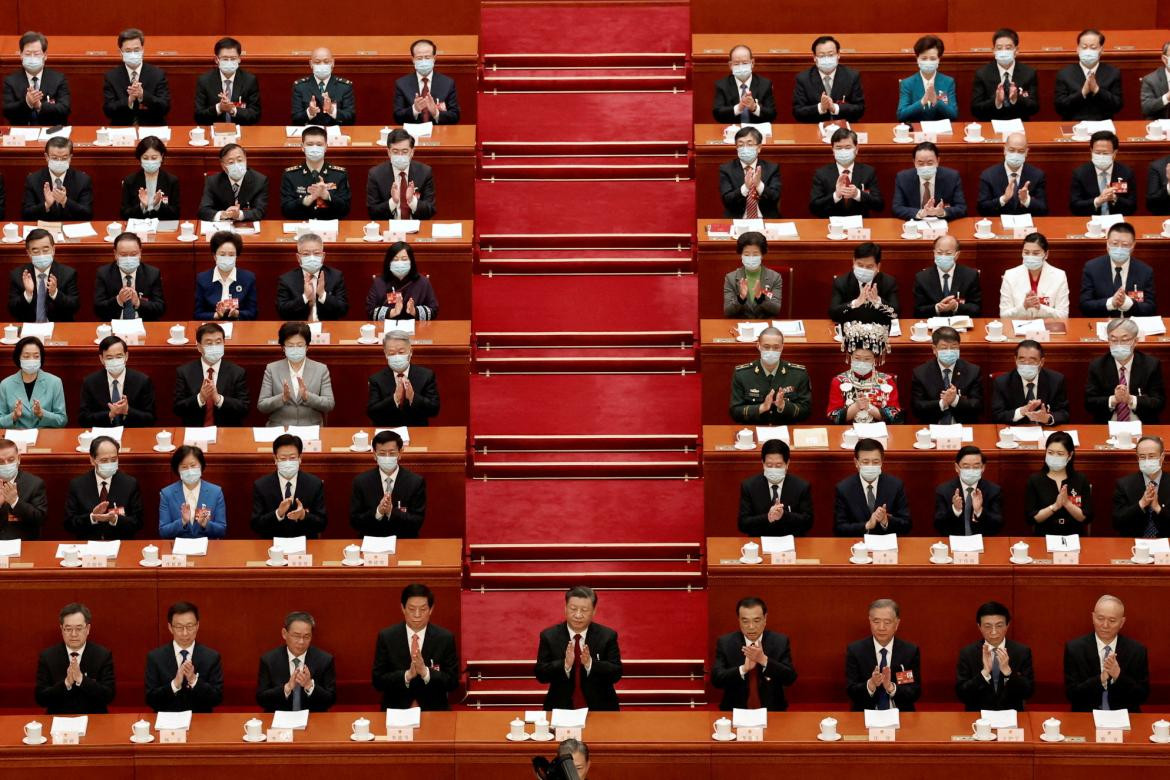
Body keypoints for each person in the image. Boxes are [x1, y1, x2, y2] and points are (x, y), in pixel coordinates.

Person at [372, 583, 460, 710]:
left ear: (431, 609)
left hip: (434, 710)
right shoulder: (387, 637)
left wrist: (426, 672)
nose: (417, 615)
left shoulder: (445, 638)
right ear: (403, 608)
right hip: (396, 710)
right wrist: (406, 675)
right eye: (412, 609)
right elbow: (378, 682)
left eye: (423, 609)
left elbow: (452, 683)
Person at [535, 586, 622, 711]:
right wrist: (564, 664)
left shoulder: (607, 636)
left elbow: (616, 673)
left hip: (601, 708)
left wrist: (590, 664)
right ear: (565, 608)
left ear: (594, 611)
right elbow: (540, 675)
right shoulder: (549, 636)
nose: (578, 615)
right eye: (573, 609)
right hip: (560, 708)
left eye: (584, 610)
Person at [1064, 595, 1148, 712]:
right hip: (1086, 717)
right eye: (1100, 618)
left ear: (1122, 622)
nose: (1105, 625)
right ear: (1093, 617)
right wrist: (1100, 679)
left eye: (1112, 620)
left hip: (1125, 717)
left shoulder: (1137, 651)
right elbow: (1072, 695)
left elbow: (1142, 696)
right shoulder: (1075, 649)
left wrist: (1118, 676)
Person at [711, 596, 797, 710]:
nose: (751, 627)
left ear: (765, 619)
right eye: (745, 621)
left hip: (772, 712)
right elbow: (716, 680)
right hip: (735, 711)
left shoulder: (780, 641)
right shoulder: (725, 642)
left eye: (757, 620)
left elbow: (790, 678)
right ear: (739, 620)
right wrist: (743, 669)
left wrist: (764, 661)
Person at [35, 603, 115, 714]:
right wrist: (66, 683)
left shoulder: (102, 655)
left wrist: (82, 679)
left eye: (79, 628)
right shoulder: (48, 656)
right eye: (68, 629)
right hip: (58, 720)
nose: (73, 634)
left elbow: (109, 696)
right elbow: (41, 699)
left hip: (94, 719)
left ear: (87, 629)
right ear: (61, 629)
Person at [144, 602, 223, 713]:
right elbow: (150, 699)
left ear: (197, 626)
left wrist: (193, 680)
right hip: (167, 723)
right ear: (170, 627)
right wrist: (175, 684)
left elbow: (217, 699)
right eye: (179, 627)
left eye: (190, 626)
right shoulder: (155, 657)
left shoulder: (211, 657)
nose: (185, 633)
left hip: (201, 723)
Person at [955, 602, 1034, 711]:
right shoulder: (968, 653)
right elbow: (962, 695)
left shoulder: (1022, 652)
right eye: (988, 626)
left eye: (999, 625)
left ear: (1007, 625)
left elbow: (1028, 692)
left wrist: (1008, 673)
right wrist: (984, 673)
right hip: (978, 718)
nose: (993, 632)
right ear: (979, 627)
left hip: (1011, 717)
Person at [1085, 318, 1165, 424]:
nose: (1118, 345)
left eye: (1124, 340)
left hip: (1141, 424)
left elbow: (1159, 403)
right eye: (1113, 340)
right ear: (1108, 340)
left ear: (1135, 341)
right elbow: (1089, 403)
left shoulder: (1150, 365)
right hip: (1108, 425)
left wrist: (1131, 400)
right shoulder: (1098, 366)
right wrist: (1113, 400)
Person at [845, 599, 921, 711]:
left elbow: (914, 692)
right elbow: (851, 691)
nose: (881, 628)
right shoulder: (855, 650)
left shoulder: (909, 651)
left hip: (900, 715)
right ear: (870, 621)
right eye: (876, 622)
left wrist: (891, 687)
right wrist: (870, 684)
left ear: (897, 624)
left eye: (887, 622)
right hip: (865, 714)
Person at [64, 436, 144, 540]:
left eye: (114, 459)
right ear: (92, 460)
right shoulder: (78, 485)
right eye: (104, 460)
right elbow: (68, 523)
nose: (110, 464)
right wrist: (92, 517)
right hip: (89, 546)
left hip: (119, 543)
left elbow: (138, 522)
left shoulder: (130, 484)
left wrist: (115, 519)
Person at [257, 321, 335, 426]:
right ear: (283, 348)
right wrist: (282, 398)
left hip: (310, 427)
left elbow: (329, 404)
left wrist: (307, 396)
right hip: (281, 428)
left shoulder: (321, 369)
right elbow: (262, 406)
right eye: (290, 345)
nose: (295, 349)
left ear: (307, 347)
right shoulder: (272, 369)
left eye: (299, 345)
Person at [349, 429, 426, 537]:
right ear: (374, 455)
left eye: (392, 453)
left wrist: (391, 512)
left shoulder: (415, 482)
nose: (387, 457)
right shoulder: (361, 482)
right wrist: (378, 512)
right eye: (382, 453)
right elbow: (355, 522)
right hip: (371, 541)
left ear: (400, 453)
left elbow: (417, 522)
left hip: (403, 542)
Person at [172, 322, 250, 427]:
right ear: (199, 347)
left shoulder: (237, 372)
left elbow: (244, 408)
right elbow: (178, 409)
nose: (214, 347)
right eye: (209, 343)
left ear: (224, 343)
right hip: (195, 431)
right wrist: (200, 398)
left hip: (226, 431)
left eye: (218, 342)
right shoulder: (185, 372)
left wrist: (219, 399)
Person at [251, 433, 328, 538]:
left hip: (305, 544)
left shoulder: (314, 484)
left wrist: (303, 515)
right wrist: (278, 513)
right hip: (273, 546)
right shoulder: (261, 485)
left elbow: (322, 524)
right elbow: (256, 525)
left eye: (292, 458)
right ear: (275, 459)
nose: (288, 462)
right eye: (283, 458)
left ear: (300, 458)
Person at [827, 319, 903, 424]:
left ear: (874, 359)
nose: (862, 362)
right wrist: (856, 407)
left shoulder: (887, 381)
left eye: (867, 359)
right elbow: (833, 417)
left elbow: (895, 417)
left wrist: (869, 407)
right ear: (850, 357)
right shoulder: (839, 381)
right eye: (857, 358)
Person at [257, 611, 336, 712]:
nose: (301, 642)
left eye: (307, 637)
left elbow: (331, 700)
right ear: (284, 634)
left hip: (313, 720)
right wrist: (287, 688)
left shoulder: (325, 660)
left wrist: (310, 686)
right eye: (296, 636)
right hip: (279, 720)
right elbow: (261, 699)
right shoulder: (268, 660)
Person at [729, 328, 811, 424]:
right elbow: (735, 412)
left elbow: (806, 411)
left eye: (776, 347)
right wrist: (761, 408)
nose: (771, 351)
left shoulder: (798, 374)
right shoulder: (742, 374)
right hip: (754, 430)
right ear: (758, 346)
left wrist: (784, 406)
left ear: (782, 347)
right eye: (766, 347)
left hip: (785, 431)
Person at [834, 438, 911, 536]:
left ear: (882, 462)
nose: (870, 466)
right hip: (857, 545)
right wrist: (866, 525)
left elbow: (907, 525)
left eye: (875, 462)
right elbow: (839, 528)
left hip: (887, 545)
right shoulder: (844, 489)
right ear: (856, 462)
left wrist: (886, 521)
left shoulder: (895, 486)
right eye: (865, 462)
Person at [737, 439, 813, 537]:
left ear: (787, 464)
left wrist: (783, 515)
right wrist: (767, 517)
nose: (773, 469)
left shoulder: (801, 486)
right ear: (763, 463)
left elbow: (808, 523)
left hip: (791, 543)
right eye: (769, 465)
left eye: (778, 465)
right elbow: (743, 524)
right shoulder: (749, 486)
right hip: (760, 541)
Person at [1079, 223, 1156, 317]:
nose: (1119, 248)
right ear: (1107, 243)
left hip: (1132, 326)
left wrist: (1130, 304)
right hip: (1102, 324)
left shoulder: (1145, 271)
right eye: (1115, 244)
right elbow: (1085, 305)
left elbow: (1151, 308)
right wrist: (1110, 303)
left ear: (1133, 245)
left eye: (1125, 245)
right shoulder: (1092, 268)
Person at [78, 336, 156, 428]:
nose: (115, 361)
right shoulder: (90, 382)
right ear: (101, 359)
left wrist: (127, 410)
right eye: (109, 358)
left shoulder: (142, 381)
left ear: (126, 356)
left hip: (132, 434)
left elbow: (151, 419)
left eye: (119, 356)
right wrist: (109, 414)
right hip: (103, 435)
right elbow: (83, 419)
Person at [911, 326, 982, 424]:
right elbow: (917, 408)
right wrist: (942, 403)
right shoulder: (920, 373)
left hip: (963, 427)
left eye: (954, 347)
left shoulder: (972, 371)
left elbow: (978, 406)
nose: (949, 351)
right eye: (944, 348)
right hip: (933, 427)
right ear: (934, 349)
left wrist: (955, 400)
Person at [368, 330, 440, 426]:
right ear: (385, 354)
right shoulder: (376, 379)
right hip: (388, 433)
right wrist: (395, 398)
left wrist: (413, 397)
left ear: (410, 352)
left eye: (401, 352)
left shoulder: (426, 375)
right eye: (392, 353)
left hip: (417, 431)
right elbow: (372, 412)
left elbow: (434, 410)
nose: (397, 357)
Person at [1026, 431, 1093, 534]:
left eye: (1060, 454)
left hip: (1074, 536)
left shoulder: (1080, 479)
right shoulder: (1035, 480)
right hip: (1044, 535)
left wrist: (1067, 504)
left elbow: (1086, 518)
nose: (1054, 457)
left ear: (1070, 455)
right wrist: (1054, 507)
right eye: (1050, 453)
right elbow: (1031, 519)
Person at [991, 340, 1070, 425]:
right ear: (1015, 360)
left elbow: (1064, 413)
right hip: (1015, 431)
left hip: (1045, 432)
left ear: (1041, 362)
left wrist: (1048, 418)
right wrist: (1021, 412)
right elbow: (996, 416)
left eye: (1032, 361)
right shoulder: (1002, 382)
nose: (1026, 365)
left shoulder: (1056, 380)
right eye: (1022, 360)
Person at [8, 228, 79, 322]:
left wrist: (55, 293)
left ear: (53, 250)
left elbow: (74, 307)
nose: (41, 255)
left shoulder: (68, 273)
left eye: (45, 250)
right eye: (36, 251)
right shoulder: (18, 275)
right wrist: (27, 294)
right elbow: (12, 310)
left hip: (58, 328)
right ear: (29, 253)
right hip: (30, 328)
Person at [809, 128, 883, 218]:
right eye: (839, 148)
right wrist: (836, 195)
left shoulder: (868, 172)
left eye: (848, 147)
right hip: (832, 225)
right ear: (833, 150)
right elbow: (814, 208)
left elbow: (879, 206)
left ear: (856, 149)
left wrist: (858, 194)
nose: (843, 151)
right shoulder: (821, 174)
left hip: (860, 226)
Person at [280, 126, 351, 219]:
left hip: (329, 229)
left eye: (319, 144)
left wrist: (327, 197)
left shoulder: (339, 174)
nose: (314, 148)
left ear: (326, 147)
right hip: (302, 228)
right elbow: (285, 210)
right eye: (310, 144)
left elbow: (345, 210)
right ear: (302, 147)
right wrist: (307, 200)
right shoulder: (290, 175)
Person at [102, 28, 170, 125]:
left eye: (136, 50)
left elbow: (165, 107)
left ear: (142, 50)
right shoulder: (111, 77)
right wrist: (129, 100)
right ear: (120, 52)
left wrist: (143, 96)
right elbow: (108, 110)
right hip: (122, 129)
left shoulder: (157, 74)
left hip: (151, 129)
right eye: (128, 51)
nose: (133, 54)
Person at [277, 232, 349, 322]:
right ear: (298, 258)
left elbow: (343, 310)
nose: (312, 258)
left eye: (316, 253)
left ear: (323, 256)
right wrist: (305, 297)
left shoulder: (335, 276)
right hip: (298, 328)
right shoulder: (286, 279)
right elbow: (282, 312)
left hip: (327, 327)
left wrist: (323, 295)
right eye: (306, 254)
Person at [791, 35, 865, 123]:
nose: (826, 59)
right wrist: (820, 108)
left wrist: (835, 108)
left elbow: (860, 109)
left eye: (831, 55)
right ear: (815, 58)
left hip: (844, 130)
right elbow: (798, 112)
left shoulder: (851, 76)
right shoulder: (803, 79)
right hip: (815, 128)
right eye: (821, 56)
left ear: (838, 55)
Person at [158, 445, 226, 539]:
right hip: (178, 549)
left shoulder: (215, 492)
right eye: (184, 467)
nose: (189, 471)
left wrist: (206, 524)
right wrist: (182, 522)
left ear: (201, 466)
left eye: (193, 465)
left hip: (208, 547)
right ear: (178, 470)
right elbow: (163, 532)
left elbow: (222, 530)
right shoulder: (167, 494)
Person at [970, 29, 1039, 121]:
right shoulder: (982, 74)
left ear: (1016, 50)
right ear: (993, 51)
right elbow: (975, 110)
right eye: (999, 48)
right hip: (991, 125)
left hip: (1019, 126)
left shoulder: (1029, 73)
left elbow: (1034, 108)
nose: (1003, 51)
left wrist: (1016, 99)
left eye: (1008, 48)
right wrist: (996, 101)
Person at [1054, 29, 1123, 121]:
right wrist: (1082, 93)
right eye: (1084, 47)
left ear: (1101, 50)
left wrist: (1097, 90)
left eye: (1093, 47)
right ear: (1077, 49)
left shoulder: (1113, 73)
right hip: (1073, 124)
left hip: (1102, 125)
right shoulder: (1064, 74)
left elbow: (1117, 106)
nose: (1088, 51)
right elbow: (1059, 107)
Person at [95, 232, 165, 321]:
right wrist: (118, 300)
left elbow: (160, 308)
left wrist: (138, 302)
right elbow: (98, 309)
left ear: (140, 253)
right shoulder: (104, 273)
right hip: (115, 323)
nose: (128, 259)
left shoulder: (152, 273)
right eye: (123, 255)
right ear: (115, 254)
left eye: (133, 254)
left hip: (143, 324)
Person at [3, 31, 70, 126]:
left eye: (36, 54)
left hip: (51, 133)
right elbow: (7, 111)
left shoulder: (58, 79)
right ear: (21, 55)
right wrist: (27, 103)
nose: (32, 57)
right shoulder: (10, 81)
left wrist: (40, 106)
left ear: (45, 55)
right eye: (28, 54)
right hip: (22, 134)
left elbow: (65, 109)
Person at [933, 446, 1004, 536]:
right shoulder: (943, 490)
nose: (971, 470)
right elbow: (938, 525)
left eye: (976, 467)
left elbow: (998, 525)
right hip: (954, 543)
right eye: (966, 467)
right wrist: (955, 510)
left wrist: (979, 511)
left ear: (983, 468)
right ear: (957, 468)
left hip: (983, 542)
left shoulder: (994, 491)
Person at [367, 129, 436, 220]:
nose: (400, 156)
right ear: (388, 152)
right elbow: (372, 212)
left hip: (416, 228)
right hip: (389, 230)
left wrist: (412, 201)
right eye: (395, 152)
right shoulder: (376, 174)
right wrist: (393, 202)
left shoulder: (424, 172)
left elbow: (430, 210)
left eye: (404, 152)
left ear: (412, 152)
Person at [998, 232, 1069, 319]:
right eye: (1026, 253)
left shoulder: (1059, 276)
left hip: (1048, 328)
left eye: (1035, 253)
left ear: (1046, 254)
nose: (1030, 257)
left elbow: (1063, 315)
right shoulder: (1010, 275)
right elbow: (1004, 315)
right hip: (1019, 327)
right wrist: (1023, 307)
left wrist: (1040, 307)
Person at [0, 336, 66, 428]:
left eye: (36, 356)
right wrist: (14, 416)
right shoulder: (5, 384)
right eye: (26, 356)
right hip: (16, 438)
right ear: (18, 358)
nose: (31, 360)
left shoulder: (55, 382)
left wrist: (42, 414)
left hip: (45, 437)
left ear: (41, 358)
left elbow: (62, 420)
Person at [976, 132, 1048, 216]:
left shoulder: (1037, 175)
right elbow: (981, 209)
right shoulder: (988, 175)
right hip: (999, 224)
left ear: (1026, 152)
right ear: (1005, 150)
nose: (1015, 155)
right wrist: (1003, 199)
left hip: (1026, 226)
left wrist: (1027, 200)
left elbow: (1043, 210)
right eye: (1011, 150)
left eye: (1020, 151)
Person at [892, 141, 967, 221]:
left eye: (930, 163)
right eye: (920, 163)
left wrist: (942, 212)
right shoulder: (903, 178)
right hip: (914, 224)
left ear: (938, 161)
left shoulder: (952, 177)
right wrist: (920, 213)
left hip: (942, 225)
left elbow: (962, 208)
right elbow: (897, 208)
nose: (925, 167)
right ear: (914, 162)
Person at [1112, 435, 1170, 538]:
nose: (1147, 460)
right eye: (1142, 457)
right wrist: (1141, 504)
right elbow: (1117, 523)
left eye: (1151, 456)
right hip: (1133, 543)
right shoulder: (1124, 485)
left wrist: (1158, 508)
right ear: (1138, 458)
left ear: (1162, 457)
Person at [194, 36, 261, 125]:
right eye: (225, 59)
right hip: (214, 133)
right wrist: (219, 108)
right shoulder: (204, 81)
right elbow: (198, 116)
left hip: (241, 132)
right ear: (217, 60)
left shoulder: (249, 80)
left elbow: (255, 115)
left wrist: (233, 110)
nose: (229, 62)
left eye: (233, 59)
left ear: (239, 59)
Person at [21, 137, 91, 221]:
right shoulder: (33, 180)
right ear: (46, 157)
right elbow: (25, 215)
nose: (59, 162)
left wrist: (65, 201)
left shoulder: (83, 180)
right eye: (54, 158)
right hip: (44, 230)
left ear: (70, 158)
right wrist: (46, 205)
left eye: (64, 158)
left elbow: (88, 215)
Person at [194, 231, 258, 321]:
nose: (227, 258)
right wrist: (216, 315)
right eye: (222, 254)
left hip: (239, 326)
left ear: (236, 256)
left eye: (231, 255)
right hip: (213, 327)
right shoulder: (203, 279)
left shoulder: (248, 278)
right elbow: (198, 314)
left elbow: (253, 312)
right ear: (215, 256)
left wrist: (237, 313)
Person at [912, 235, 982, 317]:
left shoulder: (970, 275)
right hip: (934, 325)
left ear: (957, 255)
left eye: (948, 253)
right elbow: (918, 311)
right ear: (934, 253)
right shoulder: (922, 277)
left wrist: (956, 306)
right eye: (939, 253)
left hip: (960, 325)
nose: (943, 256)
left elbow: (976, 308)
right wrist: (937, 308)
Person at [365, 242, 438, 321]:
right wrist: (392, 312)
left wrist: (415, 311)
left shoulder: (423, 282)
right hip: (386, 329)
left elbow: (433, 310)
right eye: (395, 259)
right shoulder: (379, 283)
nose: (400, 263)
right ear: (389, 262)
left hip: (416, 328)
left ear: (411, 262)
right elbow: (369, 310)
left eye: (404, 259)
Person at [1069, 131, 1137, 215]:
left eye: (1105, 153)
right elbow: (1074, 206)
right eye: (1097, 153)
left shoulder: (1126, 172)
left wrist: (1115, 198)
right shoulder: (1080, 173)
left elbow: (1132, 206)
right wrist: (1097, 201)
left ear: (1114, 153)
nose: (1101, 156)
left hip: (1117, 221)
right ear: (1091, 151)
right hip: (1091, 221)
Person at [393, 39, 460, 124]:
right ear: (413, 59)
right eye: (419, 58)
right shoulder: (402, 84)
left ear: (434, 58)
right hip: (413, 134)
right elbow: (397, 117)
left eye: (427, 57)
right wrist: (415, 110)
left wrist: (436, 113)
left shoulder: (447, 83)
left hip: (439, 133)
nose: (423, 61)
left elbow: (455, 116)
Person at [197, 143, 268, 222]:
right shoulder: (213, 181)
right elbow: (203, 211)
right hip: (221, 228)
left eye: (240, 160)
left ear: (246, 160)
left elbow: (260, 212)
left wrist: (239, 214)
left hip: (247, 227)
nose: (237, 165)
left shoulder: (259, 180)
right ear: (223, 166)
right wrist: (223, 214)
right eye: (231, 162)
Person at [828, 243, 898, 322]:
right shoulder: (841, 282)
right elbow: (833, 314)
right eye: (860, 265)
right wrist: (854, 303)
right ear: (854, 262)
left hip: (879, 329)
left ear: (878, 266)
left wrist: (879, 302)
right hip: (851, 330)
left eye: (869, 267)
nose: (864, 270)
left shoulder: (888, 282)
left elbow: (895, 314)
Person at [720, 127, 780, 218]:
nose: (745, 148)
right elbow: (727, 200)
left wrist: (759, 185)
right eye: (741, 145)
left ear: (759, 148)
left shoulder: (772, 168)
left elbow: (775, 197)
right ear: (736, 148)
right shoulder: (726, 169)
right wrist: (745, 188)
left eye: (750, 144)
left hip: (766, 219)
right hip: (738, 220)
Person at [896, 35, 957, 122]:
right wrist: (922, 102)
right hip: (917, 131)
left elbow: (954, 114)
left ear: (939, 59)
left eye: (932, 59)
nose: (928, 62)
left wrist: (936, 102)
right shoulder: (907, 83)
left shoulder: (948, 82)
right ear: (917, 59)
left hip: (941, 131)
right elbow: (901, 115)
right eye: (924, 58)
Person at [723, 231, 783, 318]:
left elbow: (776, 309)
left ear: (762, 255)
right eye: (746, 254)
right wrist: (741, 298)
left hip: (765, 327)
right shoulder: (731, 278)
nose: (751, 258)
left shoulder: (775, 277)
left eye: (755, 254)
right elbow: (727, 311)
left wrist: (760, 298)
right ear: (741, 255)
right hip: (740, 326)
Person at [119, 136, 180, 221]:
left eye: (154, 158)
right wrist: (142, 206)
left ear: (162, 156)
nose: (150, 161)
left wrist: (158, 205)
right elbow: (124, 214)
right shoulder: (130, 181)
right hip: (138, 228)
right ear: (140, 158)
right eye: (145, 158)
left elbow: (176, 214)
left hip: (163, 227)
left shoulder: (172, 181)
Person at [712, 45, 776, 124]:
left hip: (757, 131)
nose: (741, 67)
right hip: (732, 131)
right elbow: (717, 114)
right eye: (736, 64)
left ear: (752, 63)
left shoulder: (765, 84)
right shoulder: (722, 85)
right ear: (730, 65)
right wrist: (738, 108)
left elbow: (772, 114)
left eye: (745, 63)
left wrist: (754, 108)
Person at [291, 47, 355, 125]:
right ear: (311, 64)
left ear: (333, 63)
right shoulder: (300, 87)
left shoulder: (344, 87)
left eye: (326, 61)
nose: (322, 65)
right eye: (317, 62)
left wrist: (332, 111)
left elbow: (351, 118)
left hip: (336, 134)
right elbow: (295, 119)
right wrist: (309, 113)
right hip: (311, 133)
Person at [0, 437, 46, 540]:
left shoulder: (34, 484)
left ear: (18, 459)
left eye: (11, 460)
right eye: (1, 462)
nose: (6, 465)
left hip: (22, 543)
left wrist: (15, 502)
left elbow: (40, 519)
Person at [1139, 42, 1170, 120]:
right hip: (1161, 127)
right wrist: (1167, 97)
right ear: (1164, 59)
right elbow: (1146, 108)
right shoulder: (1151, 80)